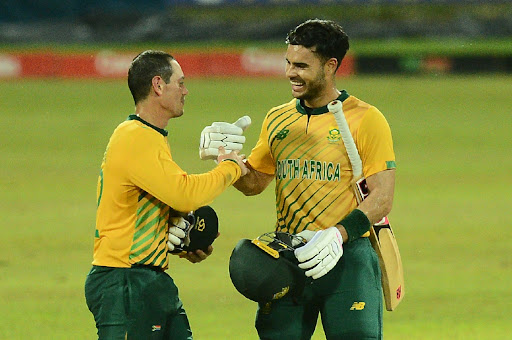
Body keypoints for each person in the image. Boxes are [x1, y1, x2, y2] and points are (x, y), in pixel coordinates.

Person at [203, 19, 396, 339]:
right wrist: (227, 160)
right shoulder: (277, 117)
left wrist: (338, 235)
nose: (291, 73)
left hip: (348, 260)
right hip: (287, 259)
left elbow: (382, 197)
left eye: (302, 65)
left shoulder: (366, 119)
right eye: (288, 63)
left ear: (330, 66)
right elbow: (255, 184)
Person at [84, 50, 248, 340]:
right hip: (124, 281)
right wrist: (231, 167)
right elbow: (184, 194)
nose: (186, 91)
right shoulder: (134, 137)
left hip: (150, 279)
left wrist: (184, 241)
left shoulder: (151, 137)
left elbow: (159, 204)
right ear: (158, 85)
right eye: (180, 83)